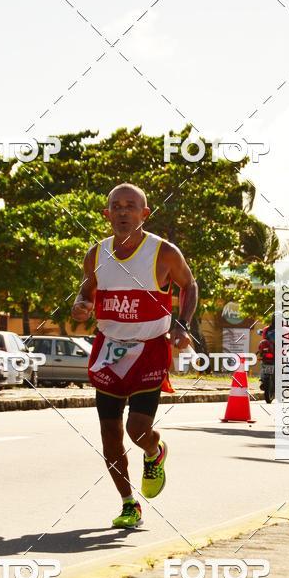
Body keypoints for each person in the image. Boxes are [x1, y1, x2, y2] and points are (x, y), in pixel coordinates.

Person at [71, 183, 198, 529]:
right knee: (110, 435)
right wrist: (81, 304)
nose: (123, 212)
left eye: (131, 206)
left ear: (145, 214)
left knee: (137, 429)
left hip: (149, 349)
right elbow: (87, 288)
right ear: (106, 214)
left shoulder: (163, 253)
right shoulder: (96, 254)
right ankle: (129, 503)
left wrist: (182, 325)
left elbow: (190, 285)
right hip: (109, 350)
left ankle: (154, 452)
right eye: (116, 206)